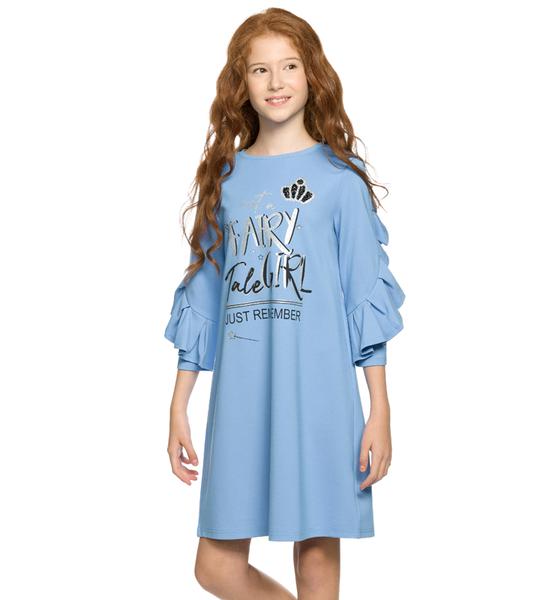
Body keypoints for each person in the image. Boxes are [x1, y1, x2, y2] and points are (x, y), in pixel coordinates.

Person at [164, 8, 406, 599]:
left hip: (320, 391)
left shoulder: (340, 180)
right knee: (215, 567)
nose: (276, 82)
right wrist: (179, 403)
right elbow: (203, 298)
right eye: (260, 70)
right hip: (242, 393)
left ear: (312, 74)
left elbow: (362, 300)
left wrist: (379, 409)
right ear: (241, 83)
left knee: (316, 554)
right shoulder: (225, 179)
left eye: (290, 66)